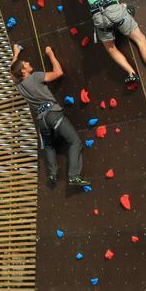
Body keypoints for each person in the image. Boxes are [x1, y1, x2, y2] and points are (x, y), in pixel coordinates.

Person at [11, 44, 90, 188]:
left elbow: (12, 71)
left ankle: (52, 175)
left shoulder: (19, 85)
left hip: (42, 120)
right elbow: (58, 72)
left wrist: (16, 53)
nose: (28, 63)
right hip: (53, 115)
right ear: (23, 71)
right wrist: (50, 54)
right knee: (75, 142)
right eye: (25, 64)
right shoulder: (36, 77)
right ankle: (74, 176)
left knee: (48, 146)